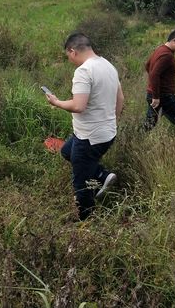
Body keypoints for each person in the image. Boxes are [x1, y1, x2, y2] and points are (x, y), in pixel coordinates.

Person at [45, 33, 124, 221]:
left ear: (72, 51)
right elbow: (120, 99)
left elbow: (78, 106)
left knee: (81, 185)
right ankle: (102, 175)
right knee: (66, 151)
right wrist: (112, 121)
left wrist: (56, 102)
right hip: (106, 133)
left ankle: (85, 223)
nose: (69, 60)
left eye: (68, 55)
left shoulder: (84, 71)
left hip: (89, 138)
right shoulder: (107, 65)